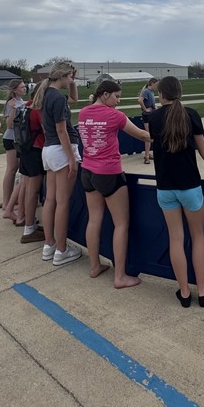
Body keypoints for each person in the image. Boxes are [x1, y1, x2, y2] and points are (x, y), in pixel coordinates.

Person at [150, 76, 204, 308]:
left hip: (165, 189)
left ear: (161, 94)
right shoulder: (191, 115)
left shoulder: (154, 117)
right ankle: (201, 292)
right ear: (179, 92)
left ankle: (183, 293)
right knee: (198, 237)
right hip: (190, 187)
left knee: (176, 239)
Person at [77, 79, 150, 287]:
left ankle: (94, 266)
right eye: (117, 97)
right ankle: (119, 277)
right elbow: (141, 134)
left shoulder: (83, 113)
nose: (118, 101)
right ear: (105, 94)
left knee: (94, 219)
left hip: (88, 170)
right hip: (109, 172)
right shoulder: (114, 116)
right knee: (121, 224)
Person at [40, 62, 82, 266]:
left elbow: (74, 99)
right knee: (63, 202)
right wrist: (71, 158)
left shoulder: (47, 94)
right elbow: (61, 130)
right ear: (63, 76)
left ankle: (50, 245)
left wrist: (73, 80)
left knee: (50, 200)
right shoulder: (56, 97)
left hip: (48, 150)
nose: (72, 80)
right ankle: (62, 249)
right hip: (60, 150)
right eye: (70, 77)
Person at [16, 82, 48, 244]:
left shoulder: (26, 106)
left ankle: (28, 222)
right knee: (33, 192)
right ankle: (29, 228)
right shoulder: (37, 109)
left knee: (27, 188)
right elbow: (46, 129)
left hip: (25, 150)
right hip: (36, 150)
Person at [1, 80, 29, 220]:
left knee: (17, 169)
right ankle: (6, 203)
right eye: (22, 87)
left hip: (19, 139)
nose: (25, 88)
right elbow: (9, 125)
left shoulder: (21, 101)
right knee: (11, 170)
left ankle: (12, 200)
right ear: (15, 90)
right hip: (11, 139)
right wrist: (13, 110)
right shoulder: (11, 103)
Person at [138, 78, 159, 165]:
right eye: (156, 84)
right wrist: (145, 109)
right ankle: (146, 156)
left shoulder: (151, 92)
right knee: (148, 135)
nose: (157, 86)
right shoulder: (146, 91)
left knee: (151, 135)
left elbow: (151, 103)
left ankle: (148, 153)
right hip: (147, 116)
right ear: (152, 83)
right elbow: (140, 100)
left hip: (151, 114)